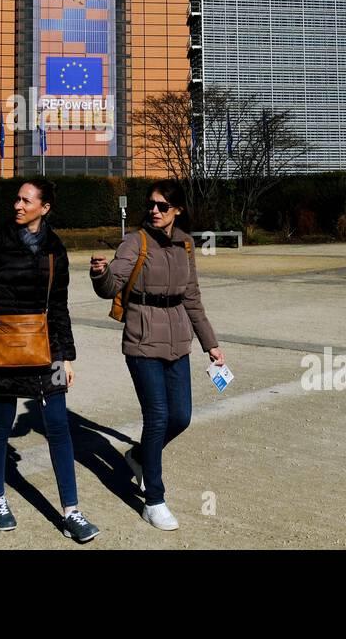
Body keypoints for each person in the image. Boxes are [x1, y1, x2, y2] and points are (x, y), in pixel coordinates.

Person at [0, 179, 100, 543]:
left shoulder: (55, 248)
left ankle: (71, 511)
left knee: (58, 425)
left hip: (45, 346)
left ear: (44, 207)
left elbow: (60, 307)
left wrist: (66, 356)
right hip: (2, 345)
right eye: (16, 199)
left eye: (26, 200)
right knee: (1, 425)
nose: (18, 205)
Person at [90, 179, 224, 531]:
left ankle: (137, 456)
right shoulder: (136, 241)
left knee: (181, 416)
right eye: (151, 203)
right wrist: (100, 275)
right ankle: (154, 500)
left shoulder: (187, 244)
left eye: (163, 206)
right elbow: (112, 284)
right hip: (142, 338)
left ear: (177, 210)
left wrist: (211, 344)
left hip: (178, 339)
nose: (154, 210)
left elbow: (192, 296)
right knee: (159, 416)